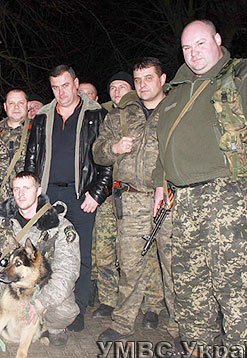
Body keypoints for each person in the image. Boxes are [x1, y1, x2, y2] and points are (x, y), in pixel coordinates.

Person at [152, 20, 247, 358]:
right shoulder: (177, 89)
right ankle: (198, 347)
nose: (193, 53)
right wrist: (162, 185)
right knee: (189, 277)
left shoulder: (245, 75)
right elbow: (165, 145)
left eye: (200, 44)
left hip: (230, 192)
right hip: (185, 197)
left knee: (234, 281)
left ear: (217, 40)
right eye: (186, 47)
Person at [93, 57, 178, 342]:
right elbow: (98, 152)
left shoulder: (176, 109)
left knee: (173, 266)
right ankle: (122, 324)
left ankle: (180, 328)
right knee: (130, 265)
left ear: (162, 79)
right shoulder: (120, 115)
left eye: (149, 78)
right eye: (138, 80)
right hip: (131, 200)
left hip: (169, 199)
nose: (142, 85)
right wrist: (114, 148)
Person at [24, 65, 112, 331]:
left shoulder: (96, 115)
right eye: (55, 87)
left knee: (80, 254)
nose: (61, 92)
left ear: (75, 83)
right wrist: (32, 193)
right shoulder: (42, 116)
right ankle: (43, 308)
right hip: (48, 195)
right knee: (44, 253)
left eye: (65, 85)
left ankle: (77, 309)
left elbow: (108, 159)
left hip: (81, 194)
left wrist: (97, 193)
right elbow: (32, 156)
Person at [0, 171, 80, 349]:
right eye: (16, 189)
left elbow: (68, 272)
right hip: (9, 283)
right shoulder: (1, 220)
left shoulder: (58, 226)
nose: (20, 194)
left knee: (65, 310)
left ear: (38, 191)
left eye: (26, 188)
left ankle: (53, 329)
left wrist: (41, 303)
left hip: (42, 287)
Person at [78, 81, 119, 315]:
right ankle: (91, 288)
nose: (84, 97)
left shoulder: (103, 118)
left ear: (96, 98)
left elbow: (106, 161)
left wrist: (98, 191)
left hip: (104, 193)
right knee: (90, 247)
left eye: (89, 94)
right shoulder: (75, 121)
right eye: (81, 93)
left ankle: (109, 298)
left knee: (106, 249)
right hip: (84, 192)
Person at [0, 89, 29, 206]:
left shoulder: (39, 132)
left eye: (20, 103)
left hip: (29, 204)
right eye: (11, 103)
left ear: (27, 105)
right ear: (5, 106)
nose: (16, 107)